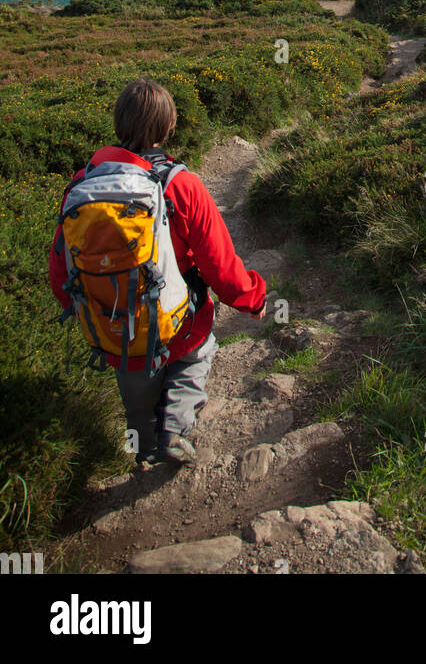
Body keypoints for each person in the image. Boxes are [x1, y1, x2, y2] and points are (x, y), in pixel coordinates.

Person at [49, 78, 266, 468]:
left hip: (117, 327)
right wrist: (253, 299)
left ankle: (141, 451)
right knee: (196, 357)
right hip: (178, 322)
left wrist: (89, 308)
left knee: (135, 395)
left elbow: (60, 272)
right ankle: (174, 433)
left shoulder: (80, 189)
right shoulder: (181, 186)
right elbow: (220, 265)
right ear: (169, 128)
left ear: (119, 123)